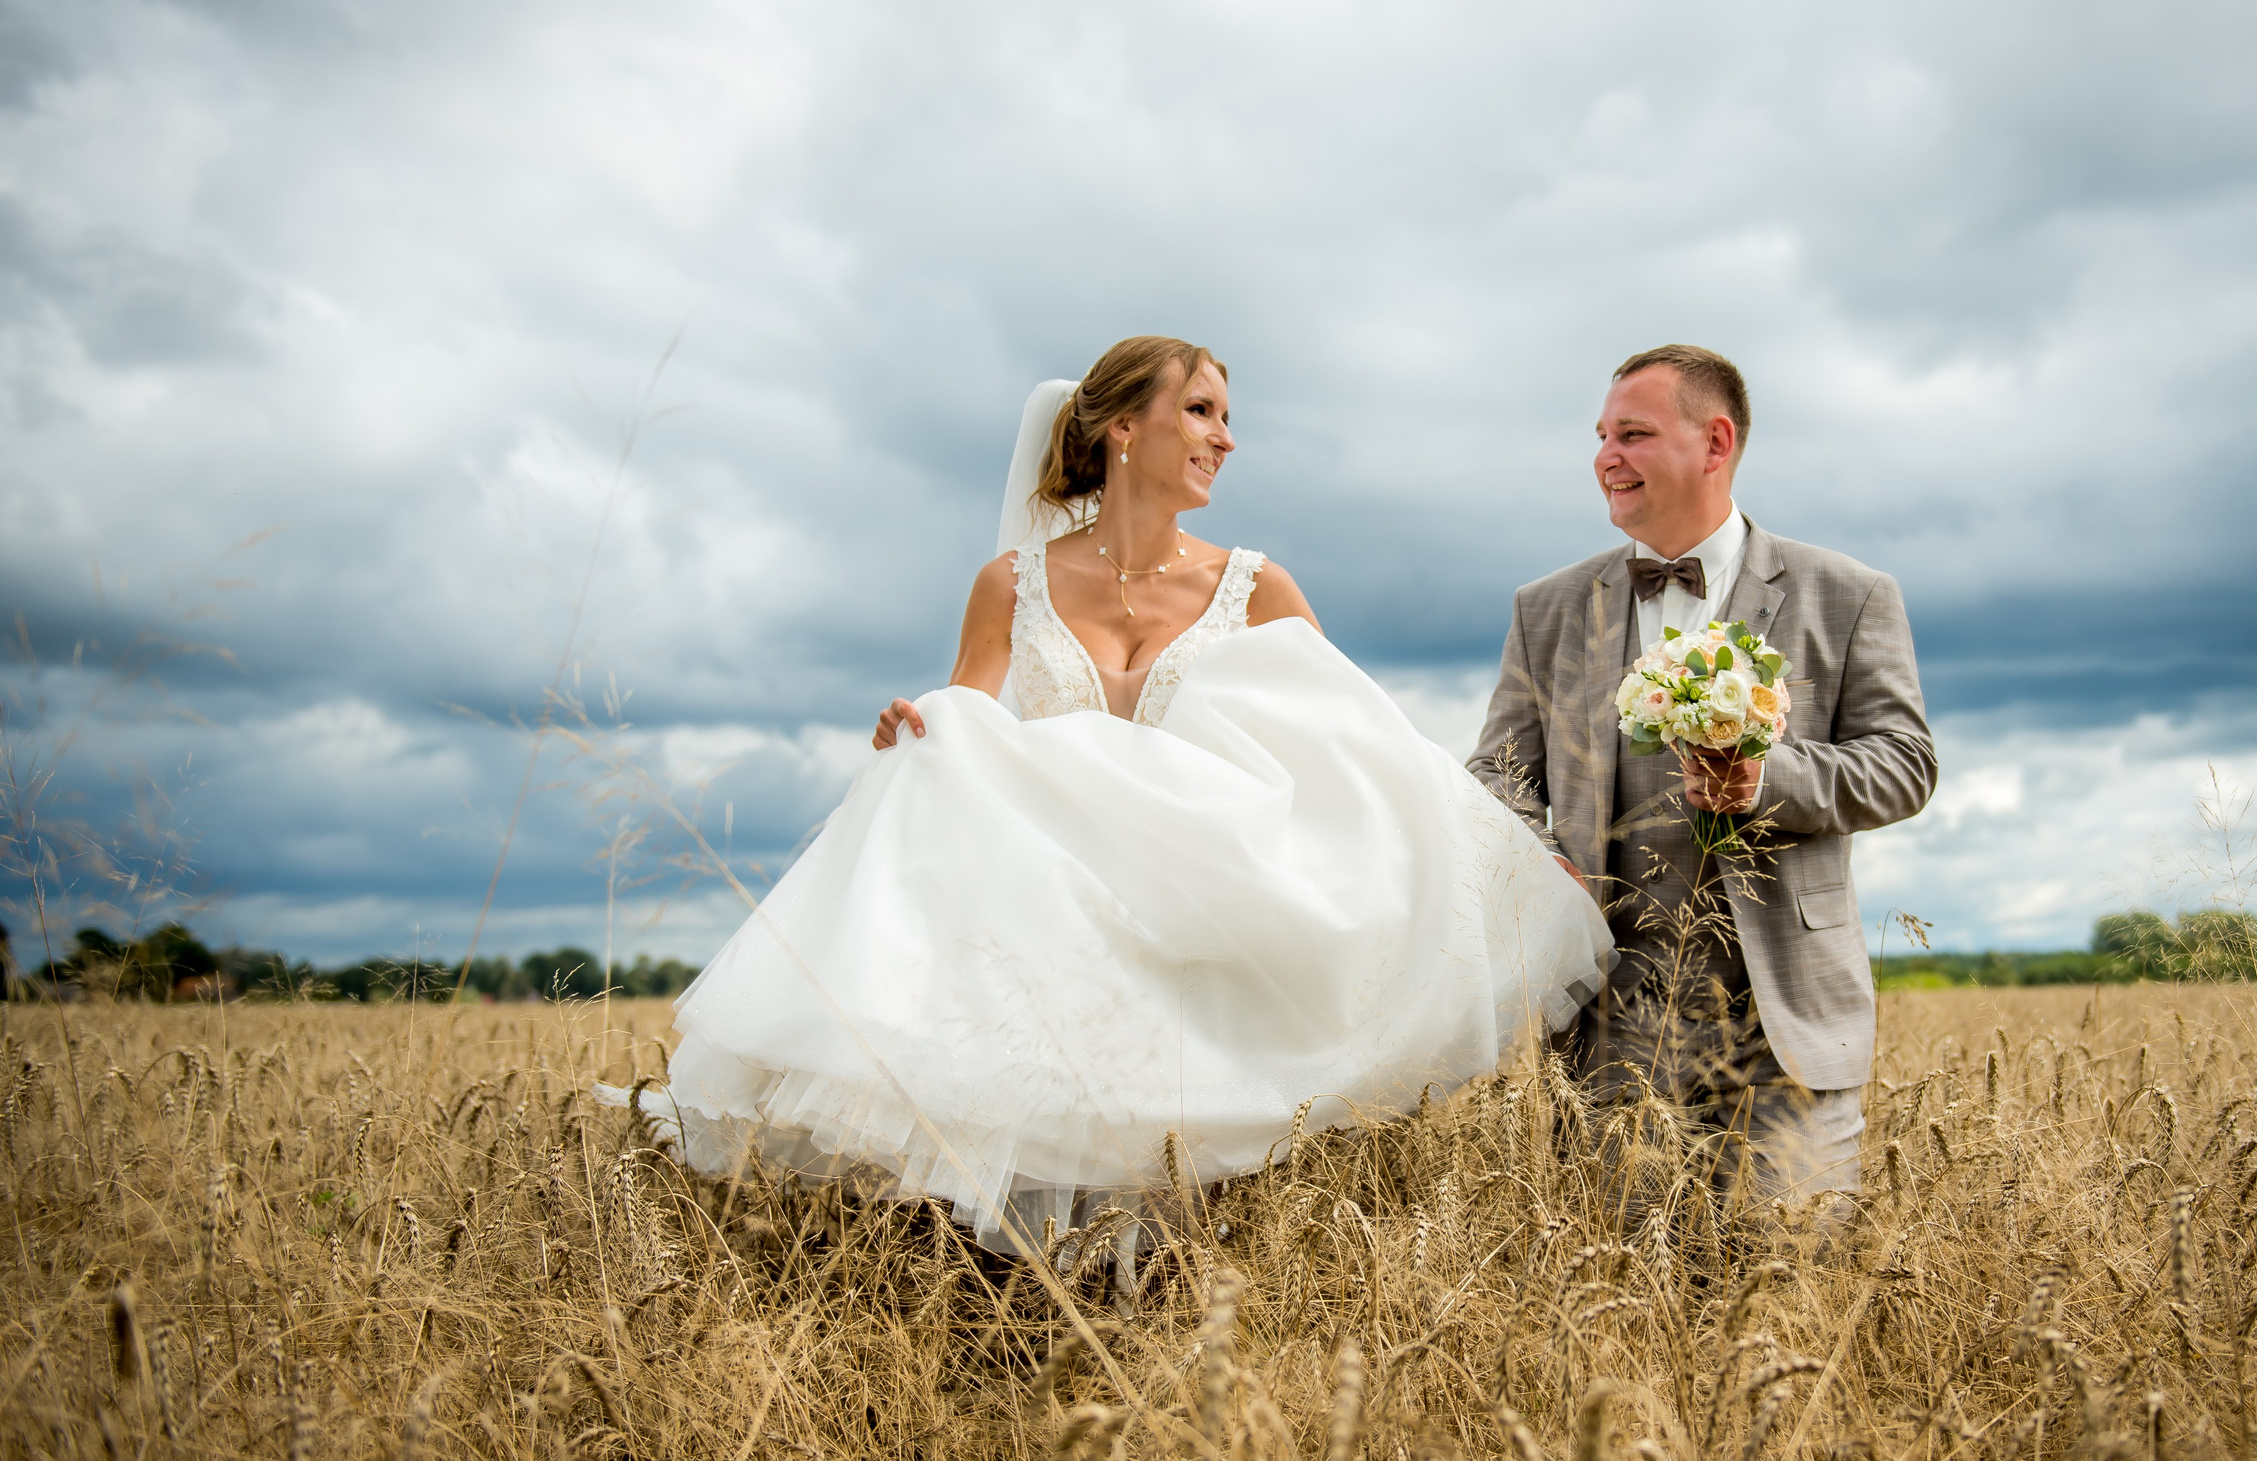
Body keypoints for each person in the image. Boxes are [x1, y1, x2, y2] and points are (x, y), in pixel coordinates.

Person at [616, 336, 1612, 1260]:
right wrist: (916, 729)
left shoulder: (1257, 587)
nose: (1226, 438)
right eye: (1201, 411)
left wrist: (1510, 854)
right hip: (1066, 913)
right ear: (1120, 429)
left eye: (1226, 416)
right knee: (1032, 1199)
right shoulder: (1011, 583)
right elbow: (967, 712)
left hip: (1208, 913)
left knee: (1179, 1202)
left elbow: (1366, 745)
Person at [1467, 344, 1935, 1217]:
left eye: (1633, 433)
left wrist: (1769, 779)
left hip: (1784, 1022)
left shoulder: (1848, 593)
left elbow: (1905, 764)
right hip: (1609, 1028)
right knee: (1628, 1314)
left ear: (1715, 443)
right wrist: (1543, 862)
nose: (1606, 456)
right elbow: (1497, 771)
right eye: (1602, 435)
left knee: (1786, 1284)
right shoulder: (1548, 607)